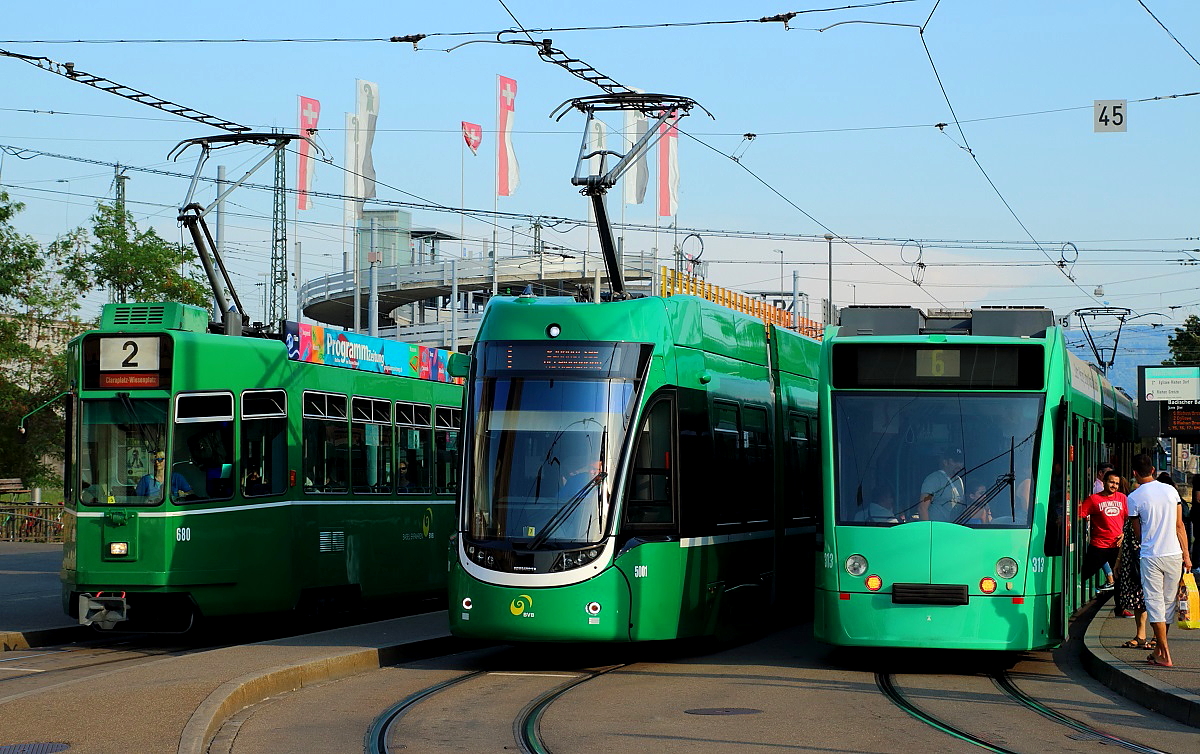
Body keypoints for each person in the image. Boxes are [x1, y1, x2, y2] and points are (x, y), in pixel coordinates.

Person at [1126, 454, 1193, 667]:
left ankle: (1164, 653)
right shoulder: (1171, 491)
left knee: (1154, 603)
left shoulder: (1134, 497)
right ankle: (1158, 650)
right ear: (1153, 470)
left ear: (1134, 473)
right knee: (1167, 603)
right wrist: (1187, 556)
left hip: (1151, 555)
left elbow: (1138, 534)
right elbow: (1180, 525)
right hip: (1174, 554)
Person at [1078, 470, 1126, 592]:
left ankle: (1120, 610)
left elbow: (1130, 519)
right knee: (1085, 574)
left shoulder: (1123, 498)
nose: (1114, 486)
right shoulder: (1093, 499)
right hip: (1098, 545)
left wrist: (1124, 534)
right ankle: (1076, 595)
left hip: (1117, 546)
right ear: (1104, 482)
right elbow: (1079, 515)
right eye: (1111, 482)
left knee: (1119, 580)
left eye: (1116, 483)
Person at [917, 446, 964, 522]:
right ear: (945, 462)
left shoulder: (959, 480)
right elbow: (922, 508)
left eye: (961, 461)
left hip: (955, 529)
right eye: (955, 461)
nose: (959, 465)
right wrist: (927, 530)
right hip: (937, 529)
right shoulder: (934, 479)